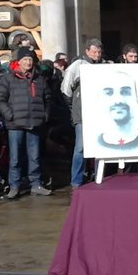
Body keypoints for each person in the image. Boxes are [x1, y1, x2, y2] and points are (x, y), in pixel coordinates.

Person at [0, 47, 52, 199]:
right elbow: (0, 99)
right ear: (18, 62)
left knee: (35, 156)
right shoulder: (8, 78)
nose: (28, 62)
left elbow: (47, 98)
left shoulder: (39, 79)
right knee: (15, 157)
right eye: (25, 59)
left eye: (30, 59)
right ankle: (14, 186)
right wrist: (9, 115)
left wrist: (44, 115)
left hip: (34, 123)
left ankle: (36, 184)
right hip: (15, 124)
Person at [61, 38, 103, 189]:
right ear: (87, 51)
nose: (97, 54)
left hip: (100, 115)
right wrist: (75, 108)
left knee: (100, 147)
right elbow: (66, 90)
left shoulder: (104, 66)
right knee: (80, 148)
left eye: (98, 51)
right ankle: (76, 181)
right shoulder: (77, 66)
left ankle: (99, 177)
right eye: (94, 51)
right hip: (82, 115)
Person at [96, 70, 138, 151]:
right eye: (109, 93)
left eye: (125, 92)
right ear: (98, 100)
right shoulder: (95, 144)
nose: (118, 100)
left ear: (137, 99)